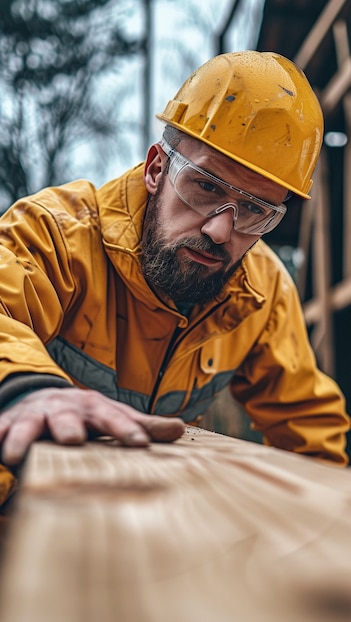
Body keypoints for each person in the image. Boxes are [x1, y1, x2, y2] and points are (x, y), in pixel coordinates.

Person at [0, 50, 349, 507]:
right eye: (206, 186)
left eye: (254, 210)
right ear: (156, 169)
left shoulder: (263, 294)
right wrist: (27, 389)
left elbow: (313, 438)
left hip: (154, 535)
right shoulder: (53, 234)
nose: (221, 230)